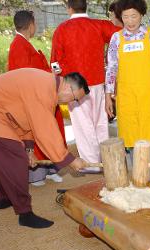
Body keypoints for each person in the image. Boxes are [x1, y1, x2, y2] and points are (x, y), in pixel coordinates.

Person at [0, 69, 88, 229]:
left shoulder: (47, 87)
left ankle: (4, 198)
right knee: (15, 158)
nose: (71, 103)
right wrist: (70, 159)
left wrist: (29, 149)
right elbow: (45, 130)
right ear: (68, 88)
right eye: (75, 99)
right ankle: (24, 213)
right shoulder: (44, 88)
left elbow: (29, 121)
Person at [104, 0, 150, 185]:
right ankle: (139, 180)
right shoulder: (116, 39)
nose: (130, 20)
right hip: (127, 98)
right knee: (132, 139)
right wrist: (107, 96)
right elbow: (111, 69)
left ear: (141, 15)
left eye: (134, 16)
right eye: (125, 16)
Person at [51, 0, 120, 173]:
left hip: (74, 85)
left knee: (84, 124)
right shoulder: (100, 25)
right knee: (100, 122)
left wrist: (59, 80)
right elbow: (121, 35)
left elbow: (55, 62)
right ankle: (106, 158)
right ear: (86, 6)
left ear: (69, 8)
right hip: (98, 80)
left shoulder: (62, 29)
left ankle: (91, 164)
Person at [8, 10, 65, 186]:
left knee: (48, 129)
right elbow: (24, 77)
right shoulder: (19, 45)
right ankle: (37, 174)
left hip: (40, 93)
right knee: (38, 132)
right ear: (31, 25)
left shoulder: (23, 43)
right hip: (32, 97)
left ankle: (50, 169)